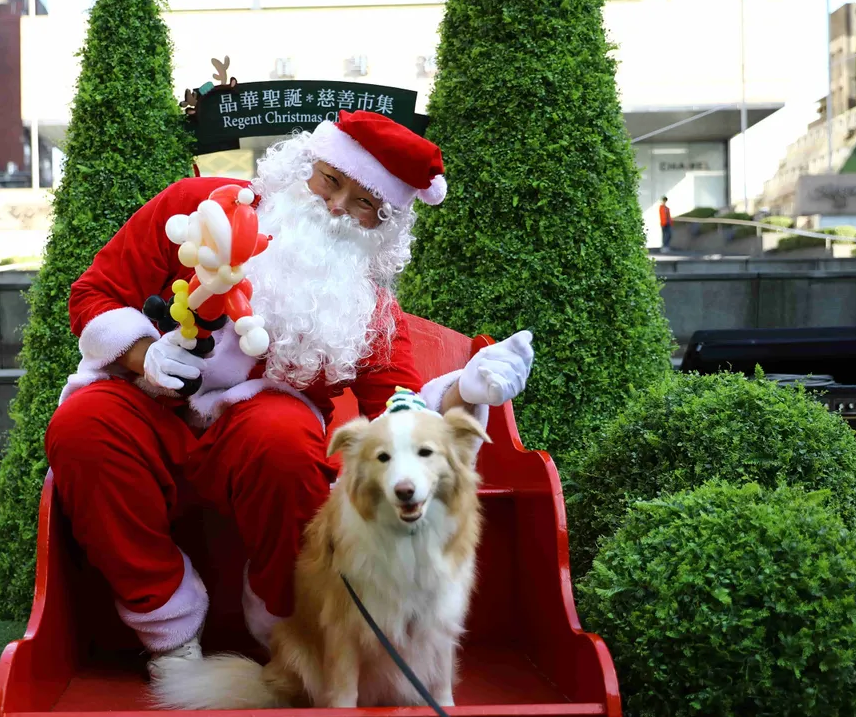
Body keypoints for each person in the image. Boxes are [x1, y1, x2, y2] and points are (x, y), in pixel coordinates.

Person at [44, 110, 535, 675]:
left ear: (383, 226)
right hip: (145, 407)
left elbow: (400, 416)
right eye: (331, 181)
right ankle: (167, 628)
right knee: (82, 428)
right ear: (304, 165)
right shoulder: (197, 206)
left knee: (285, 437)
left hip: (252, 440)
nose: (335, 206)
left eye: (363, 203)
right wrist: (141, 354)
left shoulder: (367, 310)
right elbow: (94, 293)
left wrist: (464, 389)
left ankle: (284, 622)